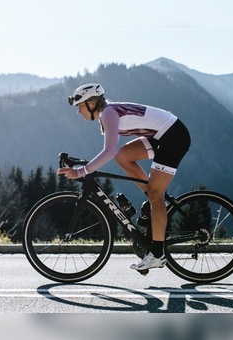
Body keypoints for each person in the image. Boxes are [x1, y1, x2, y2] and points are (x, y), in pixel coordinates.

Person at [57, 83, 191, 271]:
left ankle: (158, 255)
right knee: (124, 156)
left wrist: (81, 171)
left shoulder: (109, 114)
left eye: (79, 106)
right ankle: (152, 199)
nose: (78, 112)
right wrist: (84, 166)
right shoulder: (108, 114)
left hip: (173, 136)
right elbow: (114, 153)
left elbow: (108, 150)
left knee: (156, 195)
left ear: (92, 103)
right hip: (162, 135)